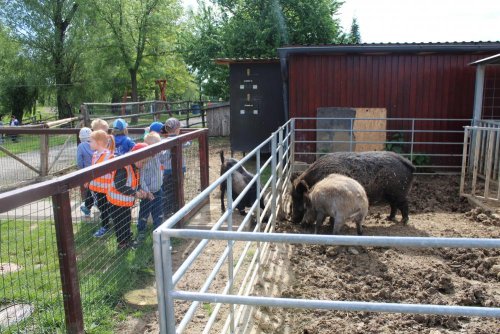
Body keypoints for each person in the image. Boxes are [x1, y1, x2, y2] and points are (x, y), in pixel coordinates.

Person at [106, 143, 148, 250]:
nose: (143, 164)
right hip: (116, 202)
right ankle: (122, 244)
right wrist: (134, 193)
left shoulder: (134, 167)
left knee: (127, 220)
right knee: (120, 223)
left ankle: (127, 239)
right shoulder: (124, 167)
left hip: (124, 202)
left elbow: (134, 182)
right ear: (136, 157)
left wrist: (139, 190)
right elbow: (119, 185)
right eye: (143, 162)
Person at [136, 132, 167, 242]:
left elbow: (167, 153)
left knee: (158, 212)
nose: (159, 150)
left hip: (158, 190)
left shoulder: (158, 155)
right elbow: (141, 179)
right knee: (144, 212)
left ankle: (158, 231)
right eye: (156, 147)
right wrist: (147, 192)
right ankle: (141, 231)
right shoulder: (144, 160)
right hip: (147, 193)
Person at [161, 117, 190, 217]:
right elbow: (188, 142)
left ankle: (170, 211)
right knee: (177, 189)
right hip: (176, 170)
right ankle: (173, 211)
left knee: (169, 191)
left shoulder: (163, 141)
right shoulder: (180, 140)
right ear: (177, 129)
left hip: (168, 171)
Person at [88, 130, 114, 238]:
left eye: (91, 141)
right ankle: (107, 222)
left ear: (98, 142)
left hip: (105, 189)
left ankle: (105, 226)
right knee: (101, 206)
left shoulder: (108, 156)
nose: (89, 143)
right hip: (97, 188)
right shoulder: (95, 155)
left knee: (104, 207)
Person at [76, 127, 95, 218]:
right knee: (94, 190)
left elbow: (79, 161)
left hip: (87, 172)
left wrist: (81, 171)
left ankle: (88, 207)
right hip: (98, 170)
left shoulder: (80, 146)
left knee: (90, 190)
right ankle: (89, 206)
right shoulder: (94, 144)